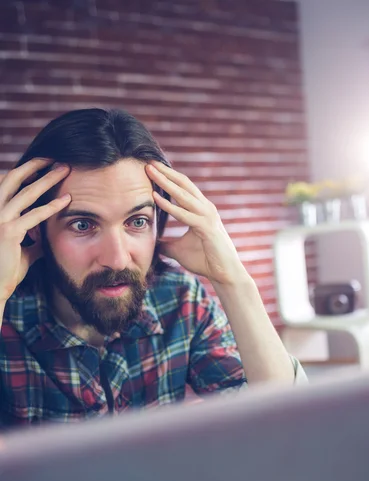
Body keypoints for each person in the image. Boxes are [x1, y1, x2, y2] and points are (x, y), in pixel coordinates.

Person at [0, 108, 307, 428]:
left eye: (137, 221)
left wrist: (233, 279)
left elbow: (285, 424)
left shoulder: (177, 299)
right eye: (82, 224)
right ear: (34, 228)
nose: (117, 259)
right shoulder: (9, 313)